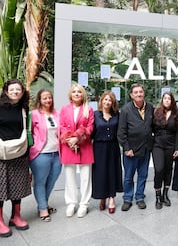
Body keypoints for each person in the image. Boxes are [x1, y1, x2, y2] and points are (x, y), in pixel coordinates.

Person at [0, 79, 31, 237]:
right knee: (1, 188)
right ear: (6, 91)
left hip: (19, 152)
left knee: (18, 186)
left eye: (18, 89)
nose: (15, 92)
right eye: (12, 89)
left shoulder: (23, 108)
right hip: (1, 154)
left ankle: (16, 216)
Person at [59, 84, 94, 218]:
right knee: (69, 176)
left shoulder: (88, 109)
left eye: (79, 92)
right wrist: (69, 138)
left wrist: (78, 137)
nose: (77, 94)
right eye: (74, 92)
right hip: (68, 146)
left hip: (84, 145)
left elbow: (90, 127)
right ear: (70, 95)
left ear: (83, 94)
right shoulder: (64, 109)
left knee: (86, 177)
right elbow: (61, 126)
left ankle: (84, 204)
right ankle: (71, 202)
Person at [117, 84, 154, 211]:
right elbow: (121, 132)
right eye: (136, 92)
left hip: (145, 149)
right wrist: (126, 148)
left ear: (144, 93)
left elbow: (152, 126)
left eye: (141, 92)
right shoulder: (126, 110)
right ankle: (127, 198)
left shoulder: (150, 107)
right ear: (132, 95)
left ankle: (139, 197)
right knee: (128, 176)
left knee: (143, 175)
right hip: (131, 151)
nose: (139, 94)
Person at [29, 89, 62, 222]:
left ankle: (43, 204)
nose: (48, 100)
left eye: (49, 97)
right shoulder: (34, 114)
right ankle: (43, 208)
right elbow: (29, 132)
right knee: (40, 182)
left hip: (57, 153)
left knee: (52, 180)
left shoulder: (57, 113)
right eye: (44, 98)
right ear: (39, 100)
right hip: (41, 153)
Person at [92, 91, 123, 214]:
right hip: (99, 148)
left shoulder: (117, 115)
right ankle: (102, 197)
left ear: (113, 102)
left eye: (110, 100)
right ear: (101, 101)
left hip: (113, 147)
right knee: (100, 173)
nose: (107, 102)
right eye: (105, 99)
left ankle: (111, 198)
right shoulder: (95, 115)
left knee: (112, 172)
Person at [152, 92, 178, 209]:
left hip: (171, 145)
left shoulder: (176, 114)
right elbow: (152, 128)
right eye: (165, 98)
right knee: (159, 169)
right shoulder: (156, 112)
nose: (167, 100)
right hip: (158, 145)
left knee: (168, 170)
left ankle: (165, 194)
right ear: (162, 100)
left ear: (172, 101)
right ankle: (158, 196)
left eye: (169, 99)